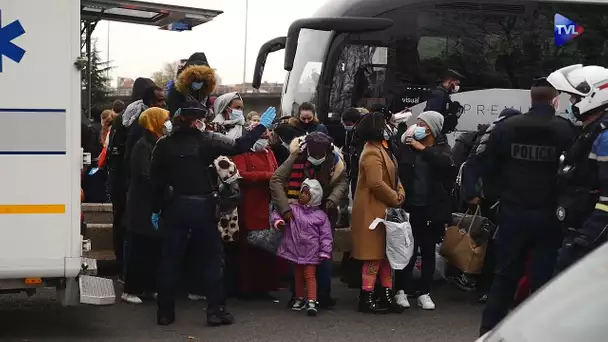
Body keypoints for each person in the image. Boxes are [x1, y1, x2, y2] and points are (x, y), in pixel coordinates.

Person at [150, 99, 277, 326]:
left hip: (175, 206)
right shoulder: (207, 140)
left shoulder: (163, 144)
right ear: (197, 120)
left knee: (169, 260)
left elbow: (155, 180)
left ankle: (165, 312)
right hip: (203, 206)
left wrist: (156, 209)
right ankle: (215, 310)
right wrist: (260, 127)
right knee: (212, 259)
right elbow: (240, 145)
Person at [478, 78, 576, 335]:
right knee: (543, 281)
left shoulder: (507, 127)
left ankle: (489, 332)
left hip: (512, 210)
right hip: (549, 214)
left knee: (503, 278)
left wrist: (497, 200)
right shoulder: (565, 130)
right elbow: (573, 173)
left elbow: (488, 167)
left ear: (531, 99)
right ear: (555, 101)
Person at [270, 132, 348, 309]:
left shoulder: (336, 160)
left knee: (324, 253)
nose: (317, 158)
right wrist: (285, 209)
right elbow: (276, 179)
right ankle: (297, 294)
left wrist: (332, 200)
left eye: (321, 156)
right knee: (295, 255)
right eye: (314, 155)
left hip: (324, 211)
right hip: (297, 211)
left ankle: (322, 295)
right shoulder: (296, 155)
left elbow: (342, 181)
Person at [549, 65, 608, 273]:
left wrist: (588, 236)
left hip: (590, 238)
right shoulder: (590, 131)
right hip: (577, 226)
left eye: (575, 98)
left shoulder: (605, 136)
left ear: (594, 95)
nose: (572, 103)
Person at [393, 111, 454, 311]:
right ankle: (400, 289)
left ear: (432, 129)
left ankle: (424, 292)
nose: (418, 127)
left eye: (423, 124)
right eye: (417, 123)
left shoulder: (442, 148)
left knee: (428, 250)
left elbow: (445, 165)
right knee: (407, 251)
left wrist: (424, 149)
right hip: (410, 206)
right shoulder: (407, 148)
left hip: (431, 208)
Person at [459, 108, 521, 302]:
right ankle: (488, 287)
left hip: (495, 196)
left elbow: (472, 164)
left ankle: (486, 287)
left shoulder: (491, 133)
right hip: (497, 196)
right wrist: (471, 193)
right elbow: (473, 164)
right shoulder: (497, 134)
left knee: (493, 244)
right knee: (493, 244)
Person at [350, 112, 405, 314]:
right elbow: (376, 183)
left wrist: (399, 192)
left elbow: (393, 178)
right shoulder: (372, 152)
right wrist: (396, 197)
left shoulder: (381, 149)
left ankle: (385, 295)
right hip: (374, 212)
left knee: (385, 256)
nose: (390, 128)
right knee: (374, 256)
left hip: (382, 211)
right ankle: (367, 296)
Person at [121, 107, 171, 304]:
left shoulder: (158, 143)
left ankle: (149, 287)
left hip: (153, 203)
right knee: (139, 249)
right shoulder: (143, 146)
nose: (168, 123)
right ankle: (130, 289)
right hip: (142, 205)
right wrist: (165, 186)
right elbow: (145, 176)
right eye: (165, 119)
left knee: (153, 249)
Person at [232, 125, 284, 299]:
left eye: (267, 134)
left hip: (268, 202)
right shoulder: (242, 152)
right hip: (250, 202)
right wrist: (267, 176)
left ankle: (264, 286)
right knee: (249, 247)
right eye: (262, 135)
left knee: (266, 247)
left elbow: (277, 171)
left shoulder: (269, 152)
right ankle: (246, 287)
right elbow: (241, 174)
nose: (266, 137)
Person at [272, 179, 333, 316]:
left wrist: (325, 251)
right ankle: (299, 298)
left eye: (306, 193)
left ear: (314, 196)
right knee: (298, 276)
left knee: (310, 276)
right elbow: (277, 212)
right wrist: (279, 221)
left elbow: (326, 236)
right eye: (302, 192)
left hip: (312, 253)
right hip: (296, 252)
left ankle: (312, 300)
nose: (302, 195)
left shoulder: (320, 216)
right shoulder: (293, 209)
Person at [336, 107, 363, 228]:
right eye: (344, 124)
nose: (346, 126)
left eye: (349, 124)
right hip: (347, 166)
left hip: (357, 169)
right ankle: (343, 217)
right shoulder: (346, 131)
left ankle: (358, 220)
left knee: (357, 196)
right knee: (343, 193)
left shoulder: (362, 132)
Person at [424, 69, 465, 133]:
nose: (457, 87)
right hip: (434, 133)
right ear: (450, 81)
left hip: (439, 132)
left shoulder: (444, 94)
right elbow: (432, 116)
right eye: (456, 84)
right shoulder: (439, 94)